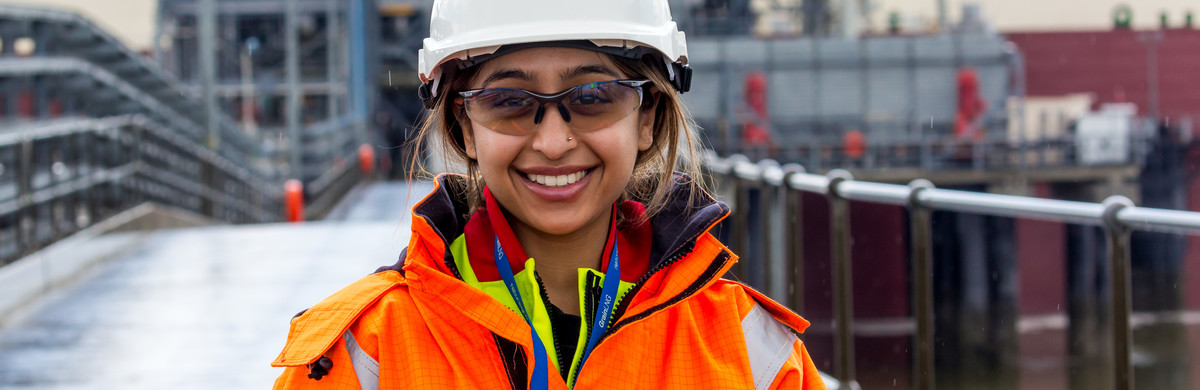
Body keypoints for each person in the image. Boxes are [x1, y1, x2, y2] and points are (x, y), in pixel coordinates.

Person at [271, 1, 826, 389]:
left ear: (648, 118)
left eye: (593, 95)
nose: (554, 141)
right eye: (509, 100)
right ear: (465, 126)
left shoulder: (753, 351)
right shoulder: (362, 354)